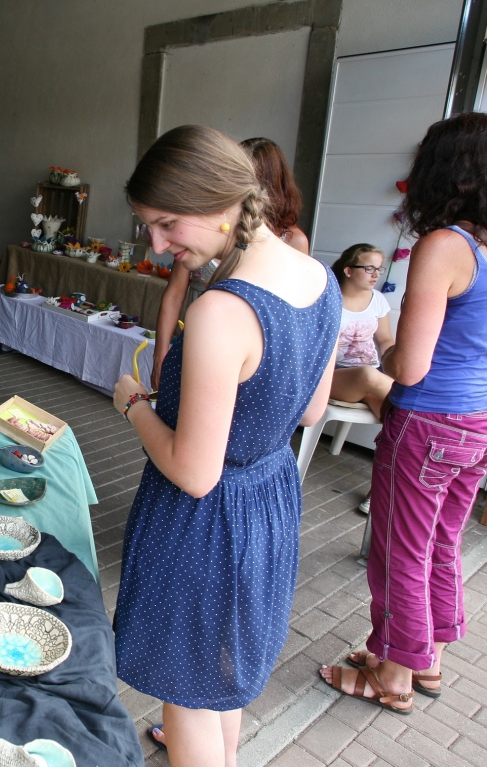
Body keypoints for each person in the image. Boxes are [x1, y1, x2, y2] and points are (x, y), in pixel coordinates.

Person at [112, 125, 340, 766]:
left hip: (202, 526)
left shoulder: (223, 311)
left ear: (221, 205)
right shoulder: (317, 276)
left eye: (167, 224)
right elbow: (314, 408)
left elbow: (193, 471)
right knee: (220, 675)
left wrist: (132, 403)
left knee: (185, 698)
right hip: (267, 497)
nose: (157, 246)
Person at [319, 112, 487, 713]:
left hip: (430, 424)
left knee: (400, 551)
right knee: (441, 543)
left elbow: (409, 367)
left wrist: (379, 348)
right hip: (478, 422)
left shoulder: (446, 246)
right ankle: (425, 658)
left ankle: (393, 677)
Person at [150, 137, 309, 391]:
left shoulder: (293, 242)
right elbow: (174, 293)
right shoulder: (201, 235)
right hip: (195, 347)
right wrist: (160, 354)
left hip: (254, 362)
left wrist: (132, 405)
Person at [329, 244, 394, 423]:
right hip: (335, 374)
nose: (376, 274)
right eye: (369, 268)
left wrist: (395, 364)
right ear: (348, 270)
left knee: (392, 415)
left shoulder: (378, 299)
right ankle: (420, 404)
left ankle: (401, 446)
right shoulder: (329, 299)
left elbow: (386, 340)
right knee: (368, 375)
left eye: (379, 268)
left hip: (373, 374)